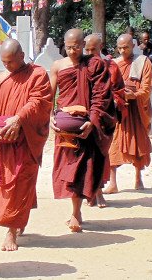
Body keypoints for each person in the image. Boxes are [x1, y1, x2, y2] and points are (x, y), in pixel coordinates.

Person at [0, 39, 52, 251]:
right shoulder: (1, 79)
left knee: (20, 182)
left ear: (22, 55)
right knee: (4, 183)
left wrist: (19, 118)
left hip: (25, 139)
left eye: (11, 62)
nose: (8, 66)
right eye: (4, 62)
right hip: (3, 140)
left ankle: (11, 231)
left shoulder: (37, 74)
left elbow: (39, 101)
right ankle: (17, 220)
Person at [49, 29, 114, 232]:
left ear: (83, 45)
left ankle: (76, 212)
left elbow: (101, 96)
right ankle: (75, 210)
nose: (72, 51)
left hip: (85, 124)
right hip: (65, 126)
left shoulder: (94, 65)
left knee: (83, 168)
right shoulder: (58, 66)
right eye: (68, 47)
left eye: (76, 47)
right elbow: (49, 96)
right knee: (68, 169)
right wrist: (50, 117)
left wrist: (93, 121)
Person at [105, 34, 152, 194]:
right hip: (119, 111)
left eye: (125, 47)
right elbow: (108, 86)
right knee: (113, 145)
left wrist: (134, 94)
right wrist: (117, 95)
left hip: (136, 111)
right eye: (119, 48)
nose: (122, 50)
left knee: (138, 144)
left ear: (133, 46)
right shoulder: (115, 64)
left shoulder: (143, 62)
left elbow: (146, 87)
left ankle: (138, 178)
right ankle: (113, 183)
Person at [84, 33, 123, 207]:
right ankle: (91, 192)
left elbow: (120, 90)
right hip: (85, 117)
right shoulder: (81, 66)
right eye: (88, 49)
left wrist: (113, 100)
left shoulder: (111, 66)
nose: (91, 52)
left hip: (105, 117)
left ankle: (99, 191)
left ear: (101, 47)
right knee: (86, 156)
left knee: (100, 155)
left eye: (94, 49)